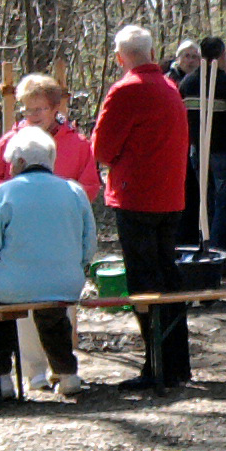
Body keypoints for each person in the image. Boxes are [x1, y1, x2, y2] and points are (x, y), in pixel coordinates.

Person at [91, 23, 192, 389]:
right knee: (168, 277)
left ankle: (158, 367)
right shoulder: (170, 87)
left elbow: (102, 150)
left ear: (120, 57)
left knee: (145, 283)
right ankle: (176, 364)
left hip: (137, 198)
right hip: (170, 197)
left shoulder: (126, 91)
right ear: (152, 52)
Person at [0, 128, 98, 398]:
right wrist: (76, 266)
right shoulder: (74, 191)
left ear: (19, 163)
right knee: (53, 316)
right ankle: (67, 373)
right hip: (65, 282)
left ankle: (3, 378)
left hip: (12, 285)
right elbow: (89, 245)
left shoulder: (3, 193)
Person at [0, 74, 101, 204]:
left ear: (55, 108)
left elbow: (89, 187)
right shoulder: (11, 141)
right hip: (17, 217)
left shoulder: (79, 145)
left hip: (59, 218)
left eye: (39, 109)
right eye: (28, 110)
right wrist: (10, 195)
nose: (33, 115)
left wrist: (56, 199)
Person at [178, 35, 226, 255]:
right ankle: (219, 249)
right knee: (225, 202)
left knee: (206, 200)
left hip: (198, 150)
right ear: (221, 55)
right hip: (225, 151)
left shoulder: (187, 83)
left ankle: (205, 243)